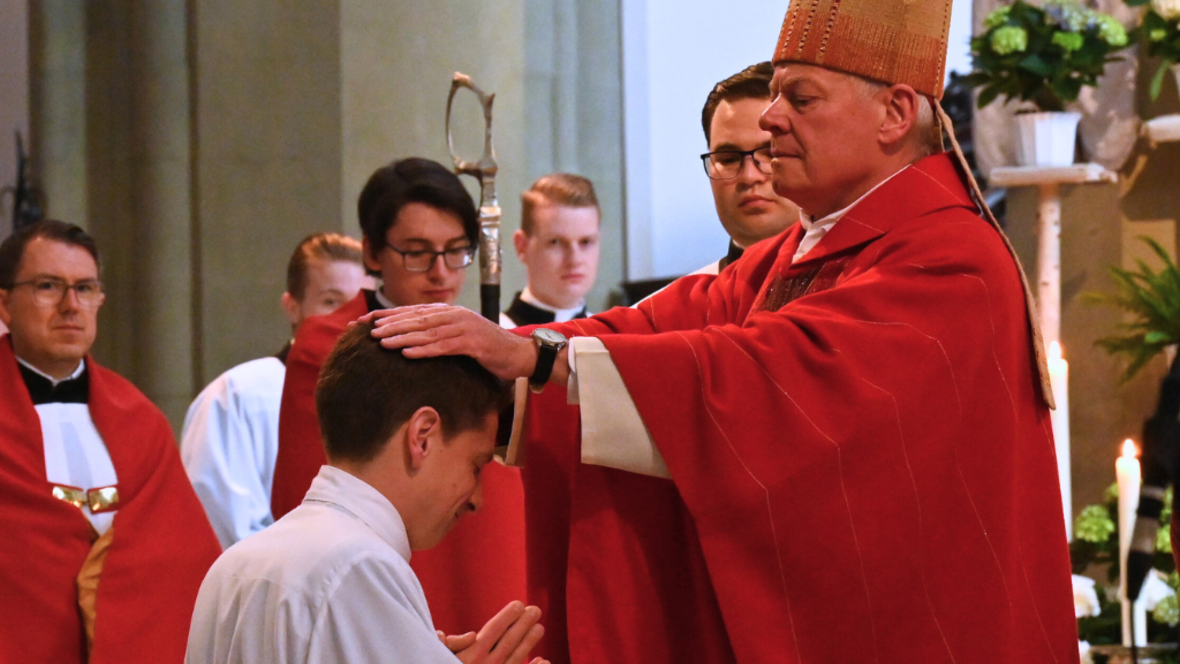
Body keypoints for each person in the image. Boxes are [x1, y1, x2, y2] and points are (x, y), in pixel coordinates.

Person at [363, 0, 1080, 659]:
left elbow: (776, 374)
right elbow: (655, 330)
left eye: (800, 99)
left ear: (894, 113)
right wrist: (512, 368)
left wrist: (541, 360)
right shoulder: (795, 255)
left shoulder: (952, 261)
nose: (770, 121)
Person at [270, 157, 527, 638]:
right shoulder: (328, 346)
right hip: (369, 584)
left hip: (481, 573)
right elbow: (307, 488)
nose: (441, 273)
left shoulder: (487, 342)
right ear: (371, 252)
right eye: (417, 253)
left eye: (456, 252)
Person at [187, 322, 547, 664]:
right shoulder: (360, 566)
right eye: (476, 464)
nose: (476, 500)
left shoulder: (233, 564)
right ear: (422, 436)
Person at [0, 220, 220, 664]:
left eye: (85, 288)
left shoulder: (140, 420)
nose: (70, 306)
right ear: (4, 304)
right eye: (48, 286)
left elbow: (183, 555)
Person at [180, 232, 372, 548]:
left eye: (357, 305)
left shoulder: (380, 395)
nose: (346, 321)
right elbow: (225, 522)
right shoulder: (239, 395)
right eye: (331, 302)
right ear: (292, 307)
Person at [698, 61, 800, 273]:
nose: (749, 176)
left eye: (771, 153)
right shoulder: (676, 305)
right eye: (728, 159)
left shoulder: (869, 291)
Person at [501, 174, 600, 328]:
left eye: (585, 242)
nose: (574, 260)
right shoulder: (494, 339)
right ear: (522, 247)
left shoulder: (612, 340)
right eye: (556, 242)